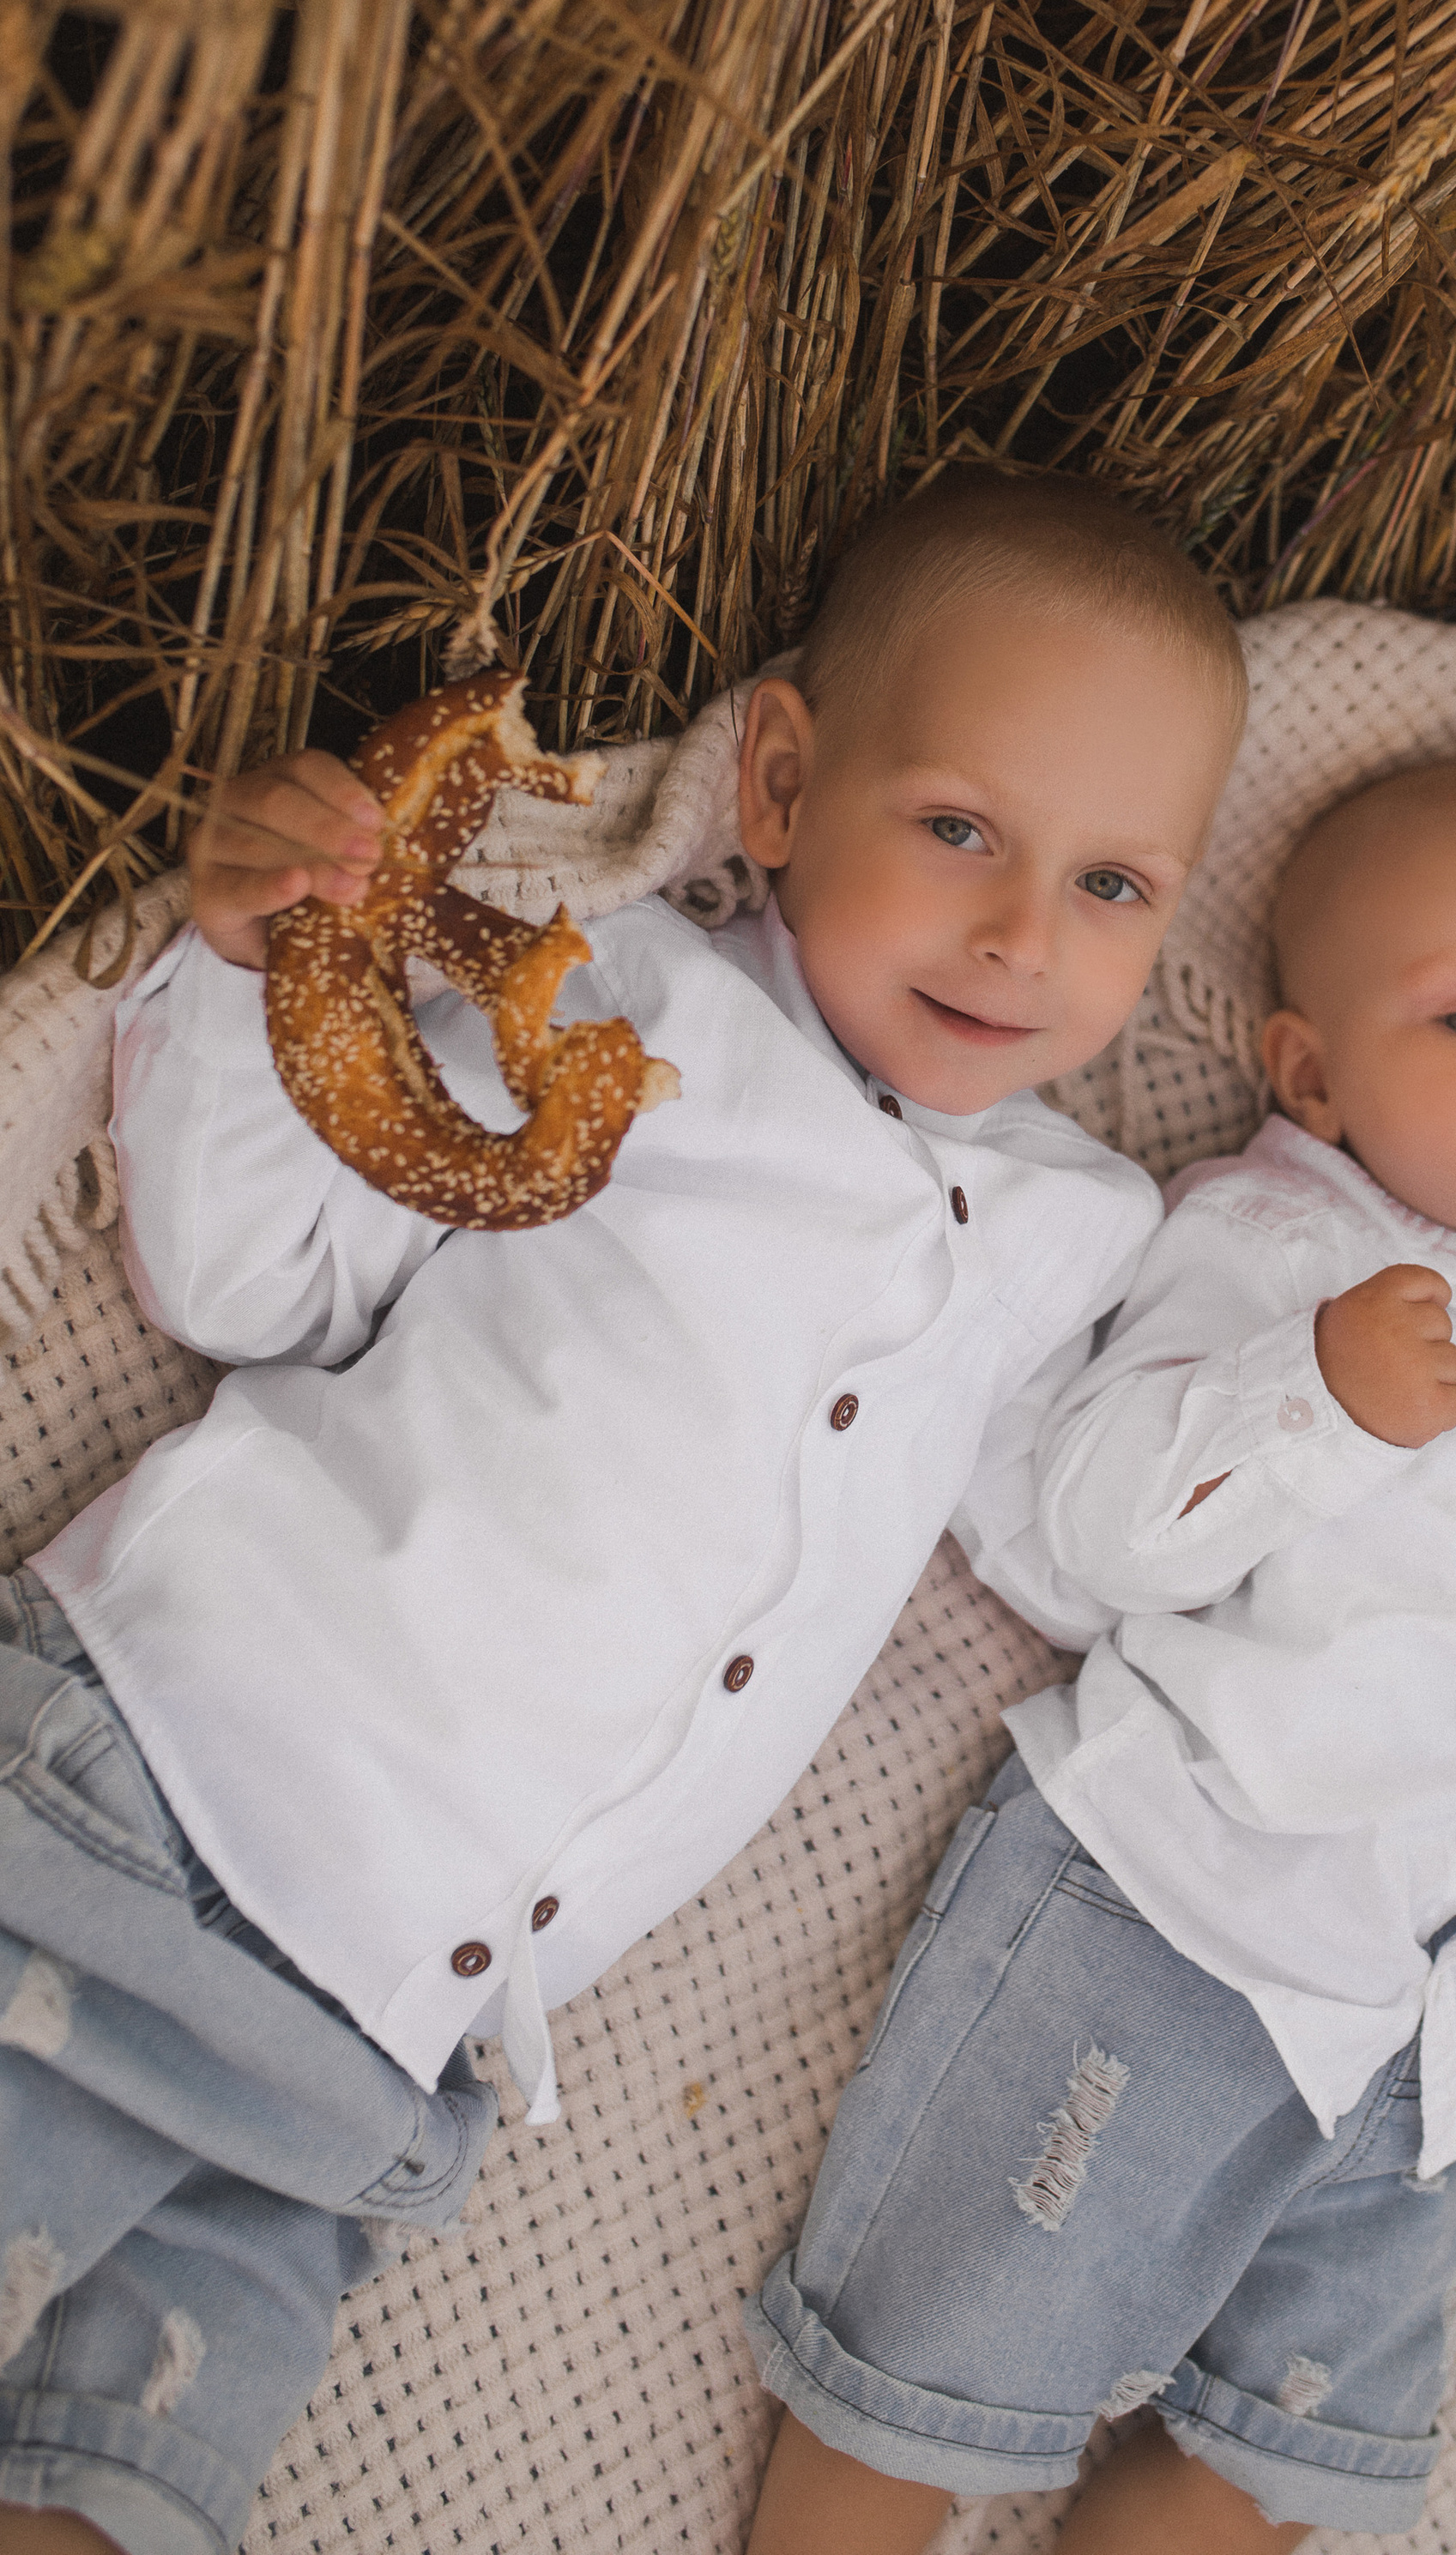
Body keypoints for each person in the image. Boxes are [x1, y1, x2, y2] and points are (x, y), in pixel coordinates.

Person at [0, 473, 1247, 2555]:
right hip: (187, 1795)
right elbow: (251, 1280)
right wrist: (242, 969)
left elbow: (1057, 1542)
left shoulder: (1088, 1231)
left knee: (127, 2497)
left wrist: (1295, 1438)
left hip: (403, 2038)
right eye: (957, 829)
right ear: (774, 777)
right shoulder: (620, 1006)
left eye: (1114, 884)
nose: (1025, 935)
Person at [742, 759, 1456, 2553]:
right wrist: (1315, 1401)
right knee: (929, 2375)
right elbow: (1092, 1525)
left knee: (1278, 2474)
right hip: (1183, 1923)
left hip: (1454, 2041)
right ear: (1309, 1074)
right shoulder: (1274, 1243)